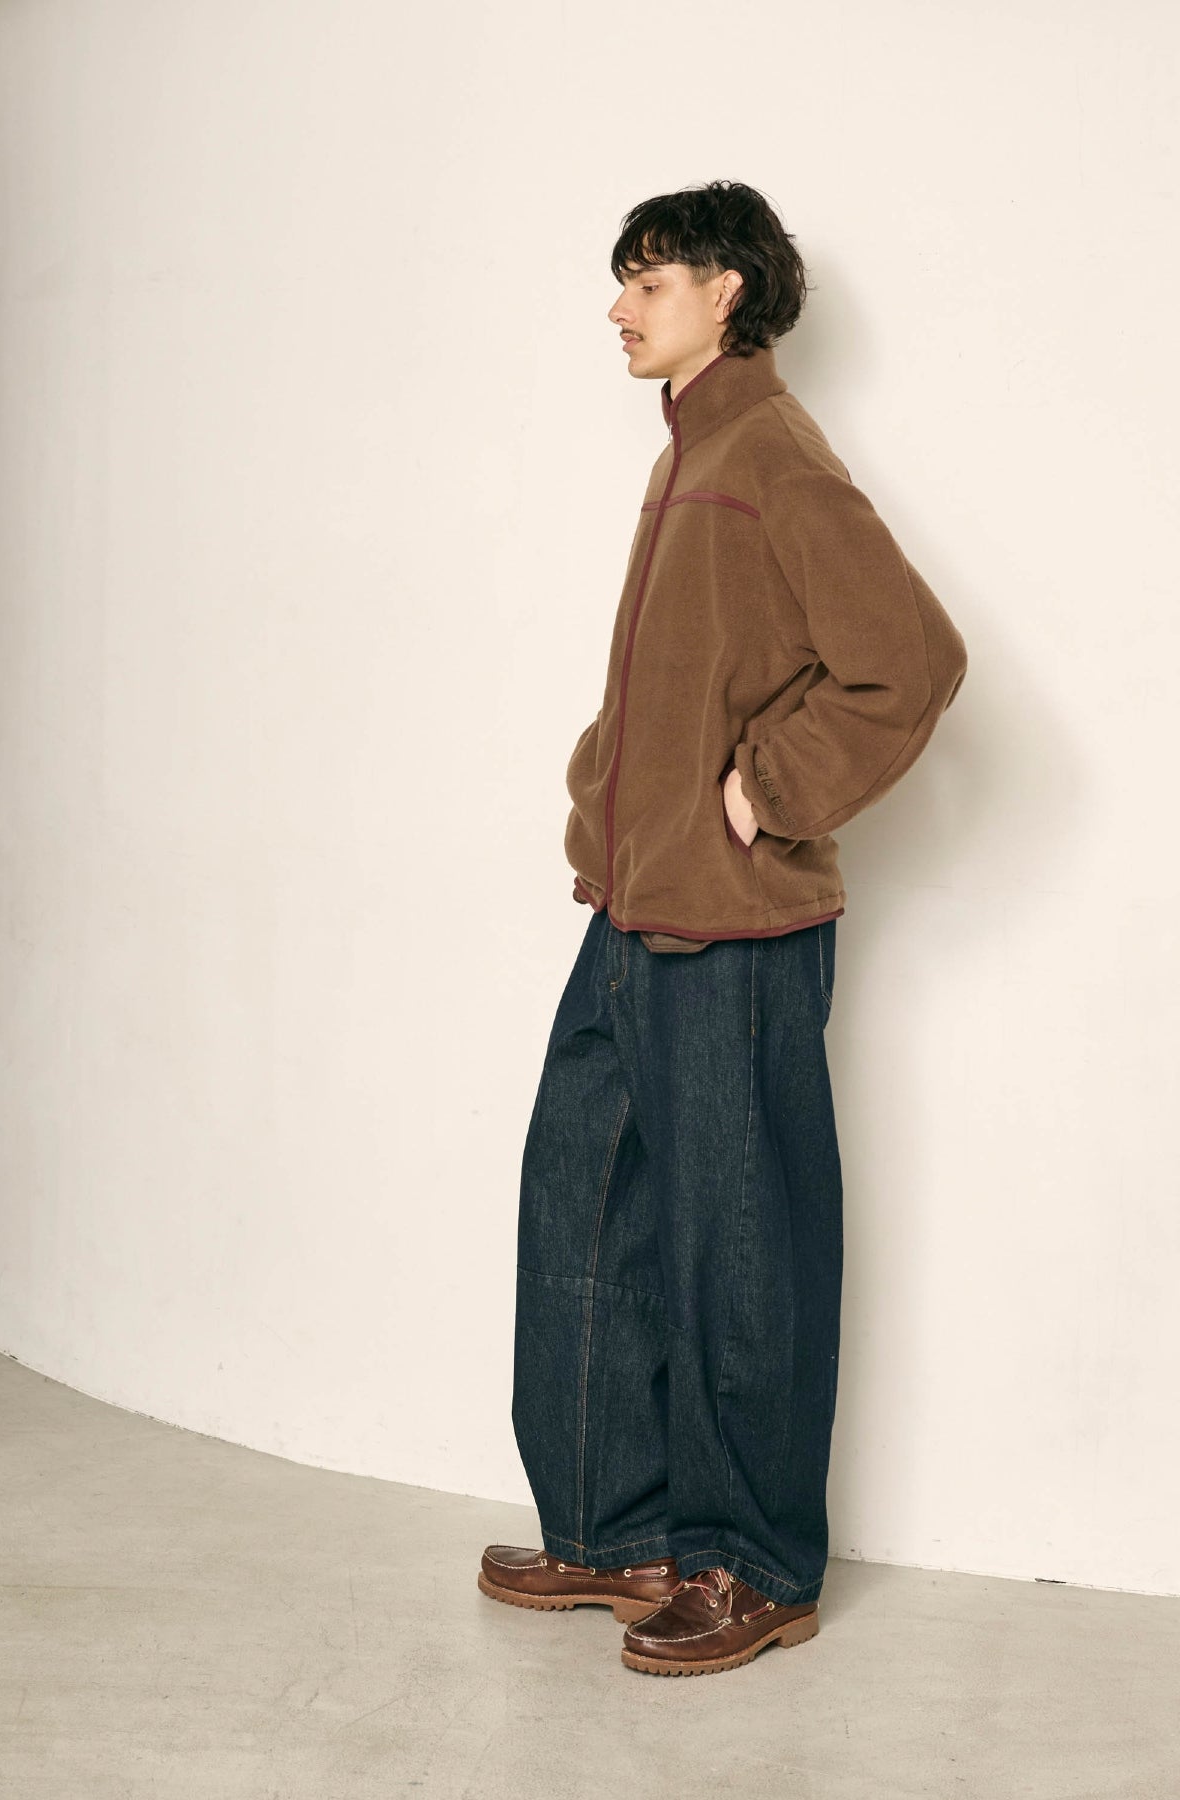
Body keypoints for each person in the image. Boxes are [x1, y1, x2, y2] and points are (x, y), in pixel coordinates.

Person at [478, 180, 968, 1677]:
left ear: (727, 293)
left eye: (650, 281)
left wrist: (767, 794)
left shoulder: (769, 453)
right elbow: (680, 682)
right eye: (623, 283)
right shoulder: (691, 453)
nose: (621, 308)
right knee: (584, 1205)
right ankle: (615, 1529)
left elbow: (912, 659)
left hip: (736, 928)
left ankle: (752, 1565)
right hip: (638, 909)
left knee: (737, 1246)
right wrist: (608, 800)